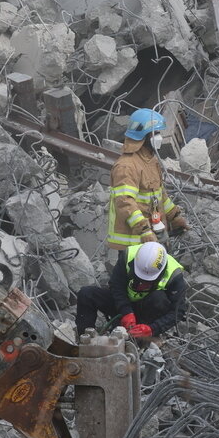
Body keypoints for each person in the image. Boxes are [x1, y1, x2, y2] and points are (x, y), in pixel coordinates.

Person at [107, 108, 187, 252]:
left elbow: (159, 196)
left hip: (152, 236)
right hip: (133, 242)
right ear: (143, 136)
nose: (159, 137)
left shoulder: (151, 161)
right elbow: (125, 202)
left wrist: (174, 216)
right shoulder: (126, 166)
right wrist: (144, 230)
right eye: (155, 133)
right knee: (133, 273)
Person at [75, 241, 188, 341]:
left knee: (158, 298)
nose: (142, 284)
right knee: (87, 294)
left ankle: (139, 338)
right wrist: (126, 311)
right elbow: (116, 284)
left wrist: (153, 328)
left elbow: (178, 311)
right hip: (123, 306)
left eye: (147, 281)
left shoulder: (174, 275)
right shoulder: (128, 256)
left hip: (148, 313)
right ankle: (84, 340)